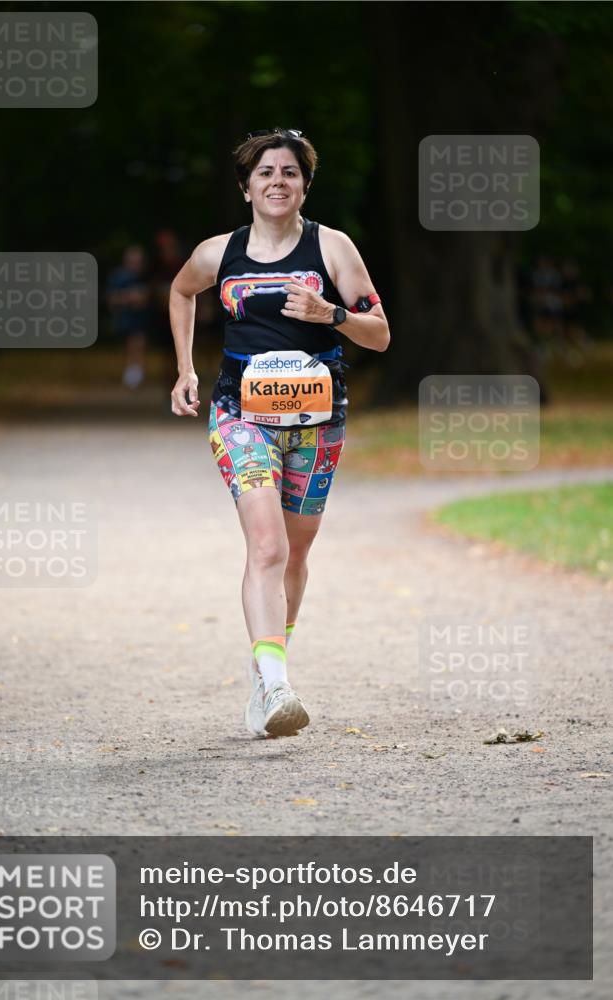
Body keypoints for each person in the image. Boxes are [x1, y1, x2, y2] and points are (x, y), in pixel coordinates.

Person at [169, 128, 390, 738]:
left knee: (295, 554)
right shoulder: (220, 253)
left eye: (289, 172)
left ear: (304, 185)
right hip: (240, 417)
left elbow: (380, 331)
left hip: (319, 423)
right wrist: (185, 368)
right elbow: (182, 290)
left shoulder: (334, 249)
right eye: (265, 173)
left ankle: (267, 667)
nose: (277, 182)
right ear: (246, 187)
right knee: (266, 548)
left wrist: (333, 315)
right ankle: (275, 685)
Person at [105, 245, 152, 389]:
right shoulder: (118, 278)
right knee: (132, 344)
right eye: (133, 261)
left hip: (141, 321)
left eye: (139, 261)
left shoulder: (146, 276)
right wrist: (129, 298)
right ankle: (132, 375)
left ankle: (136, 375)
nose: (136, 265)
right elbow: (110, 299)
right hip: (124, 320)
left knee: (138, 342)